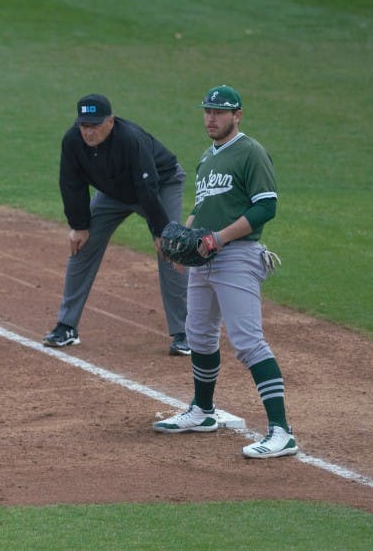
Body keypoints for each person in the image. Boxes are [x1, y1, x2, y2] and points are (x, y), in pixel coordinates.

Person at [152, 85, 297, 459]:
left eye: (220, 112)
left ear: (238, 115)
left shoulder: (251, 152)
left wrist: (219, 239)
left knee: (248, 342)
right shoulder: (207, 158)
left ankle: (281, 432)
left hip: (237, 256)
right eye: (207, 111)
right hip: (205, 258)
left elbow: (266, 208)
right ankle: (202, 412)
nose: (211, 118)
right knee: (198, 336)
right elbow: (201, 211)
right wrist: (184, 239)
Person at [43, 94, 190, 355]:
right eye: (84, 125)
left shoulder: (130, 139)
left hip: (160, 185)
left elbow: (147, 186)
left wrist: (161, 230)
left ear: (110, 122)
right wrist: (79, 225)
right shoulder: (72, 141)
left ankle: (185, 333)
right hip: (114, 193)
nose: (88, 132)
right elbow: (71, 184)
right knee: (82, 246)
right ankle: (66, 327)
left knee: (170, 249)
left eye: (94, 125)